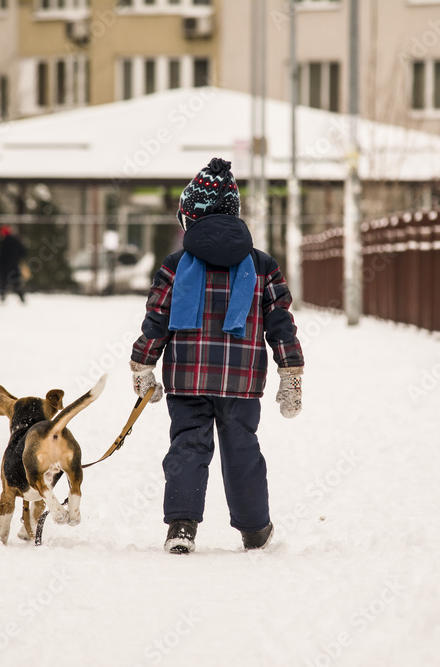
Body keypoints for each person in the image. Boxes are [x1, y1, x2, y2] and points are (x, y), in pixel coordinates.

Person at [129, 158, 304, 554]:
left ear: (190, 218)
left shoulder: (175, 265)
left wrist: (144, 363)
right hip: (241, 382)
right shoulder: (262, 266)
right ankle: (255, 531)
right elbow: (280, 321)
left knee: (187, 447)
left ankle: (181, 527)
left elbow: (156, 319)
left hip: (187, 379)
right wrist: (290, 372)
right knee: (242, 450)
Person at [0, 225, 27, 303]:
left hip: (5, 267)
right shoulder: (15, 241)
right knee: (16, 283)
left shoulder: (3, 242)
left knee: (3, 284)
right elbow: (23, 252)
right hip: (14, 266)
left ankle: (2, 298)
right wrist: (17, 259)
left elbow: (1, 256)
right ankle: (22, 298)